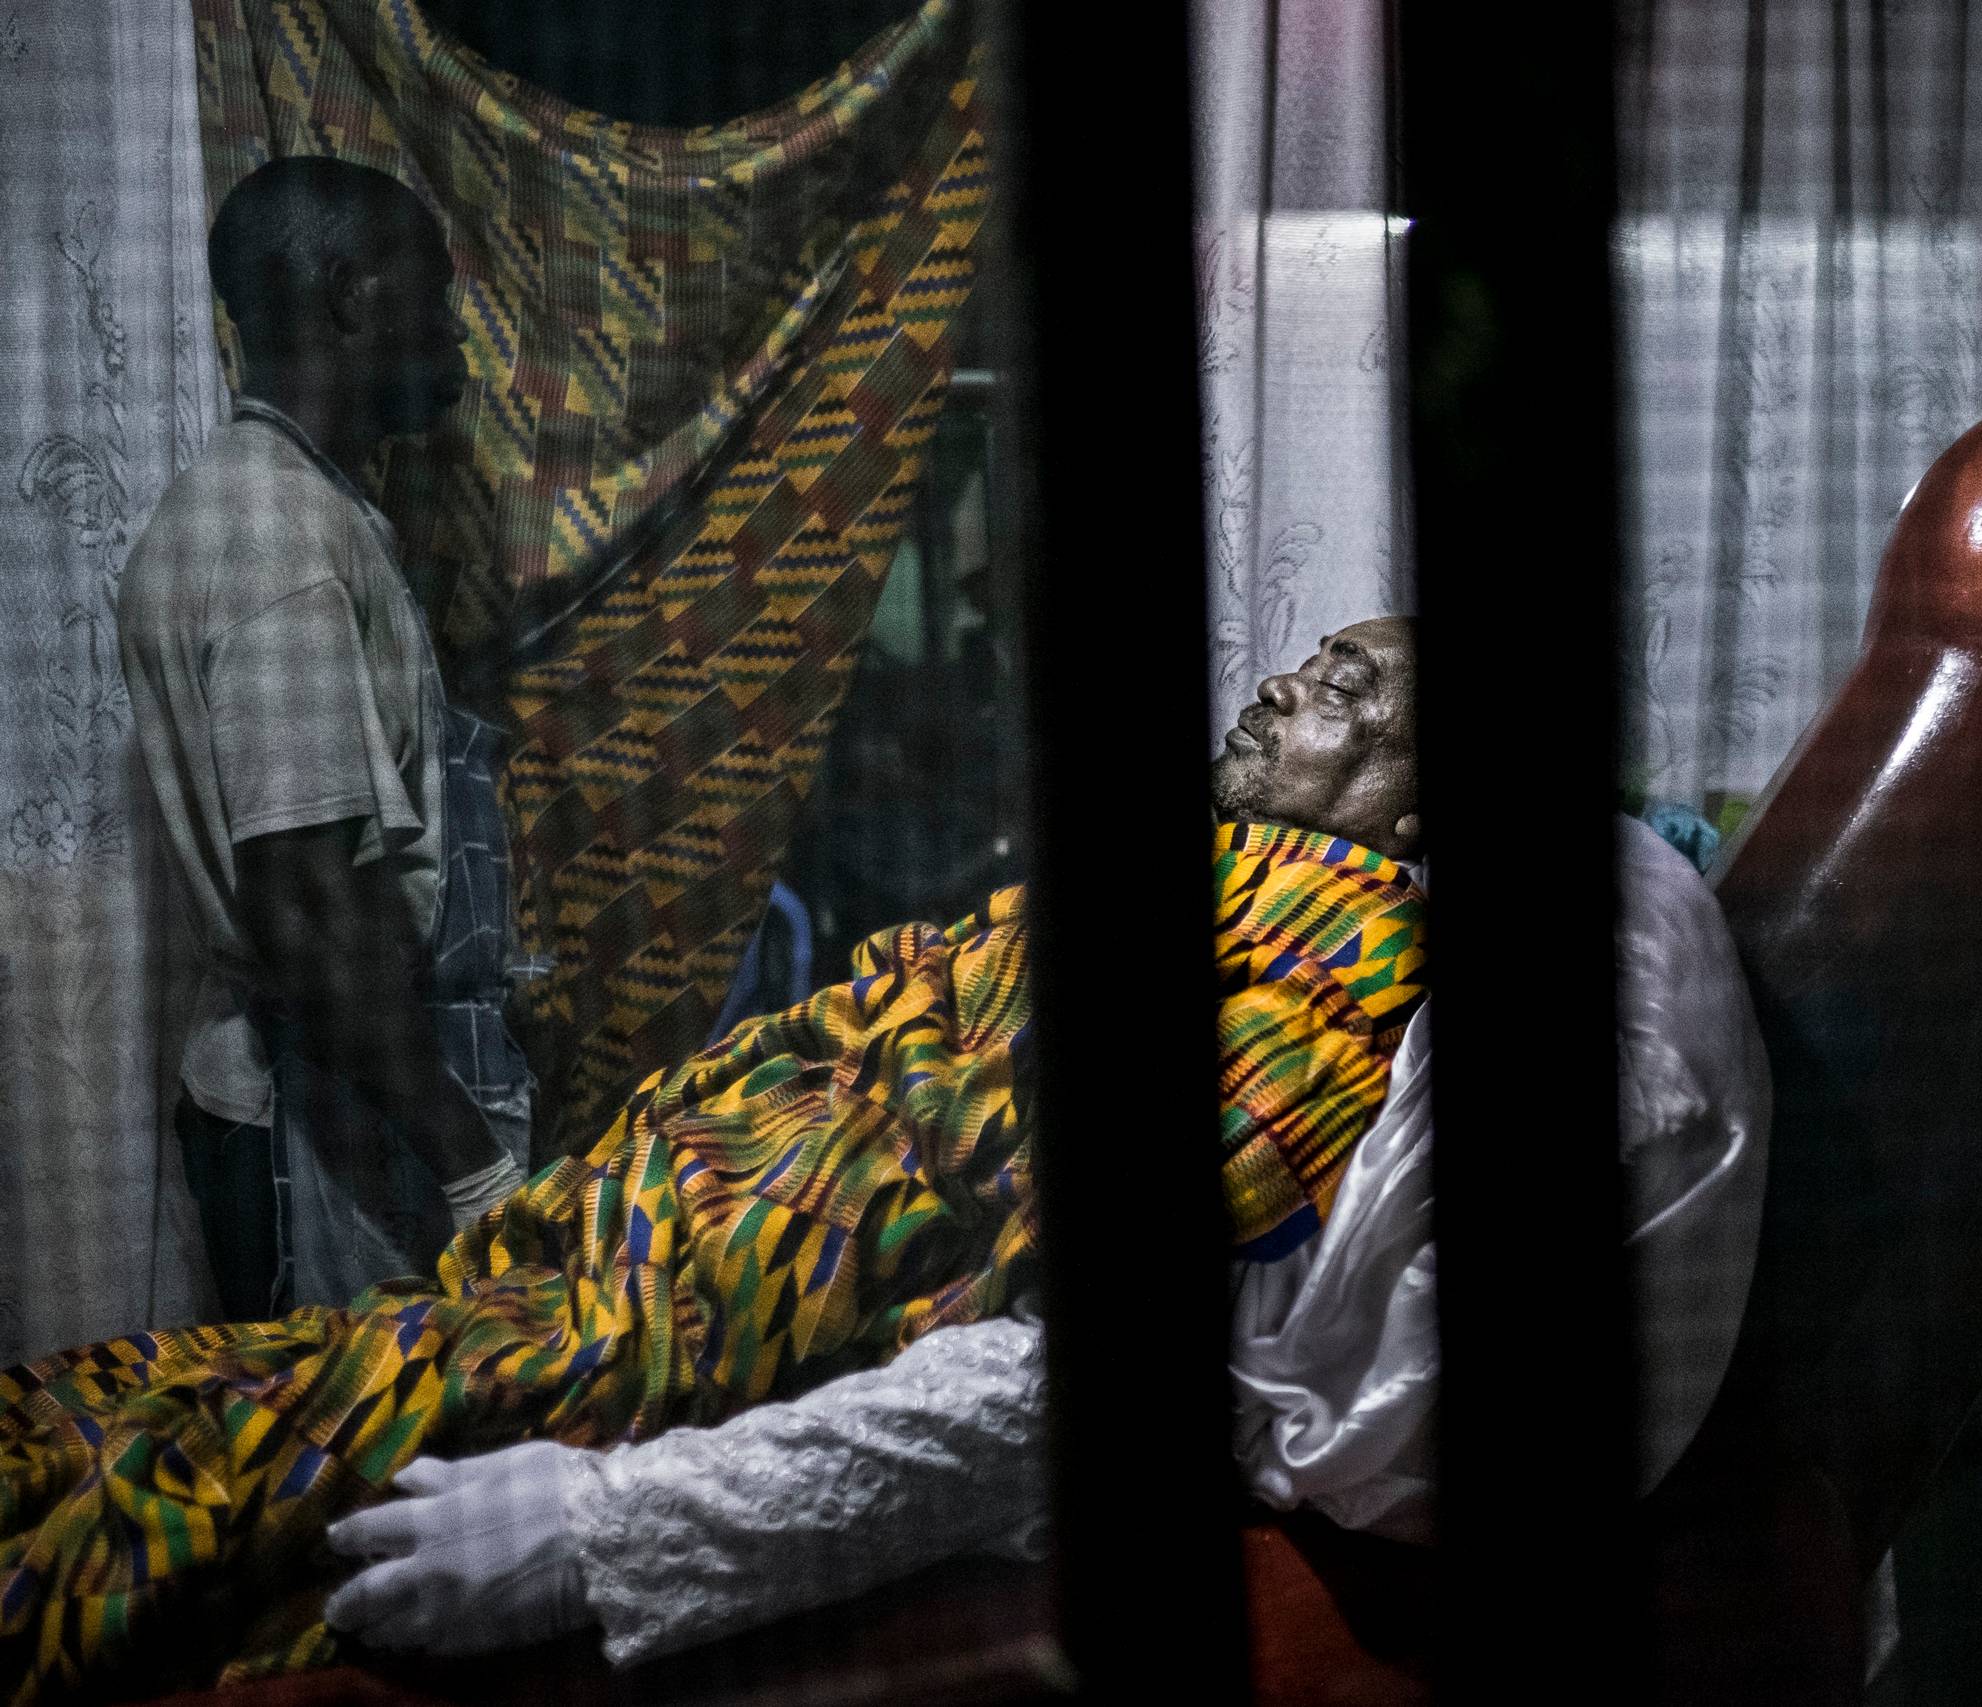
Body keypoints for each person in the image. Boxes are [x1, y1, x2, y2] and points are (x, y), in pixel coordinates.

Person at [0, 623, 1436, 1699]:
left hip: (654, 1360)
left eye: (1348, 691)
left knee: (170, 1500)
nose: (1282, 684)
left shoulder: (1335, 983)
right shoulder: (1191, 887)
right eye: (1308, 658)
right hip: (586, 1274)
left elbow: (1064, 1365)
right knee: (144, 1412)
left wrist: (620, 1530)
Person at [117, 157, 533, 1318]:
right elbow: (305, 905)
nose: (453, 334)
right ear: (352, 295)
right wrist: (475, 1169)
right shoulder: (276, 540)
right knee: (373, 1428)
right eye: (434, 296)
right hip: (334, 1134)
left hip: (344, 1095)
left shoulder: (277, 506)